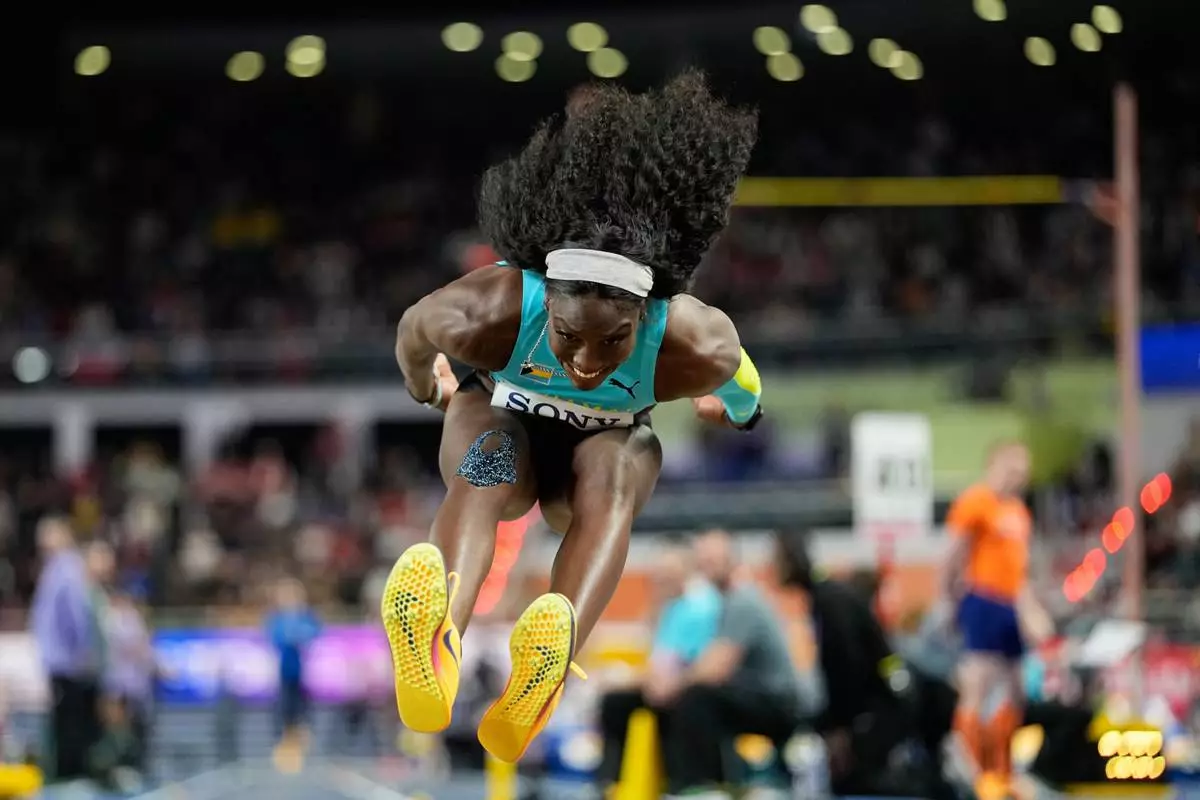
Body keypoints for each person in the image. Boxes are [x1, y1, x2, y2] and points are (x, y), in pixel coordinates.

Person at [381, 70, 762, 764]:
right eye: (567, 334)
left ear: (645, 314)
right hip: (508, 429)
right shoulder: (492, 309)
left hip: (590, 461)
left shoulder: (693, 340)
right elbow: (414, 331)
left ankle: (541, 652)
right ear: (543, 300)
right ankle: (443, 633)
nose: (587, 362)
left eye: (613, 340)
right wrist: (428, 387)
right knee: (493, 456)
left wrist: (737, 411)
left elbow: (742, 382)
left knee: (613, 469)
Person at [647, 530, 802, 794]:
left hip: (779, 702)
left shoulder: (743, 602)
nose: (706, 568)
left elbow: (715, 669)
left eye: (713, 561)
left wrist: (671, 686)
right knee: (687, 698)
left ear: (731, 561)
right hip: (754, 694)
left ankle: (701, 787)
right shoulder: (720, 604)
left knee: (696, 698)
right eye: (703, 561)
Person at [938, 441, 1051, 791]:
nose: (1018, 477)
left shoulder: (1018, 513)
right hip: (983, 599)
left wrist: (1032, 611)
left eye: (1023, 472)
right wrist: (947, 600)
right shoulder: (976, 502)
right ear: (994, 465)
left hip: (1011, 605)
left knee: (1017, 687)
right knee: (979, 680)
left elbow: (1021, 570)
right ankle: (968, 765)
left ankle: (1003, 766)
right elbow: (952, 553)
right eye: (1012, 469)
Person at [596, 539, 721, 789]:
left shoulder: (698, 607)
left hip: (688, 688)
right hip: (668, 684)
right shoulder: (672, 608)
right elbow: (655, 655)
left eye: (667, 575)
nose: (661, 582)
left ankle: (671, 783)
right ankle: (613, 782)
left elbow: (671, 668)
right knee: (617, 701)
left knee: (618, 702)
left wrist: (628, 680)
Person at [28, 518, 103, 784]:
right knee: (63, 724)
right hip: (60, 662)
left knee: (71, 726)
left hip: (69, 663)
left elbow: (76, 615)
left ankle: (73, 779)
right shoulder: (54, 569)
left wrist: (83, 651)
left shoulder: (67, 569)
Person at [265, 578, 322, 753]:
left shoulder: (306, 617)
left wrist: (297, 634)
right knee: (285, 709)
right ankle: (284, 742)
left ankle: (302, 740)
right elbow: (277, 637)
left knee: (303, 711)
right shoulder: (278, 618)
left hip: (305, 674)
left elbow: (314, 633)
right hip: (285, 672)